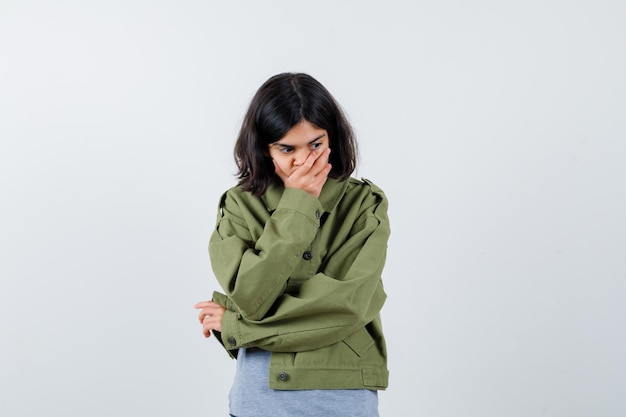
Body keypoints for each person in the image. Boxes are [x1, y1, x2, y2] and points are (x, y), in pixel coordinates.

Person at [194, 72, 390, 417]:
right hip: (261, 394)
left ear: (334, 138)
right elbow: (251, 299)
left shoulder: (365, 204)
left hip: (344, 394)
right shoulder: (240, 206)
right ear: (264, 149)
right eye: (287, 149)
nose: (304, 161)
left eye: (316, 144)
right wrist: (298, 205)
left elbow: (344, 308)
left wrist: (238, 328)